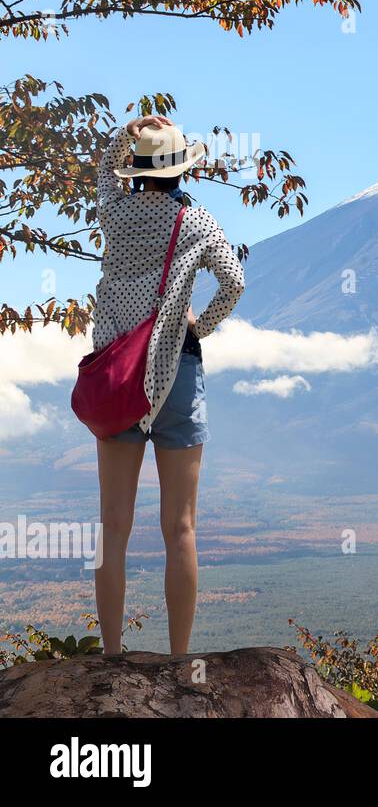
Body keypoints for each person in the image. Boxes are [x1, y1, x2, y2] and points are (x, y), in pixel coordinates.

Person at [92, 114, 244, 655]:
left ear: (137, 169)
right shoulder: (197, 221)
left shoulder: (114, 212)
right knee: (180, 529)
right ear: (182, 170)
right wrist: (202, 322)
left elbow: (104, 176)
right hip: (175, 373)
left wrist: (122, 135)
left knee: (114, 527)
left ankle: (111, 656)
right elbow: (234, 279)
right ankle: (181, 661)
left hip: (118, 379)